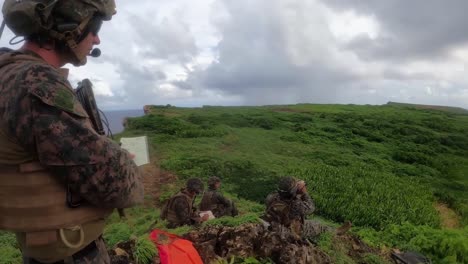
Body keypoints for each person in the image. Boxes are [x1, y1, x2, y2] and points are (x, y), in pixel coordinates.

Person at [0, 1, 144, 263]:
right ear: (67, 26)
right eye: (94, 27)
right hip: (70, 252)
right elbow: (111, 182)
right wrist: (124, 163)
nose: (96, 38)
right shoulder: (36, 83)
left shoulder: (9, 73)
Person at [262, 177, 351, 239]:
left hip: (274, 222)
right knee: (318, 225)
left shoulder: (272, 197)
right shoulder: (296, 205)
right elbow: (311, 207)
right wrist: (304, 192)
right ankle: (337, 231)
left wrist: (295, 194)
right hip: (288, 230)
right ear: (293, 191)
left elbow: (286, 199)